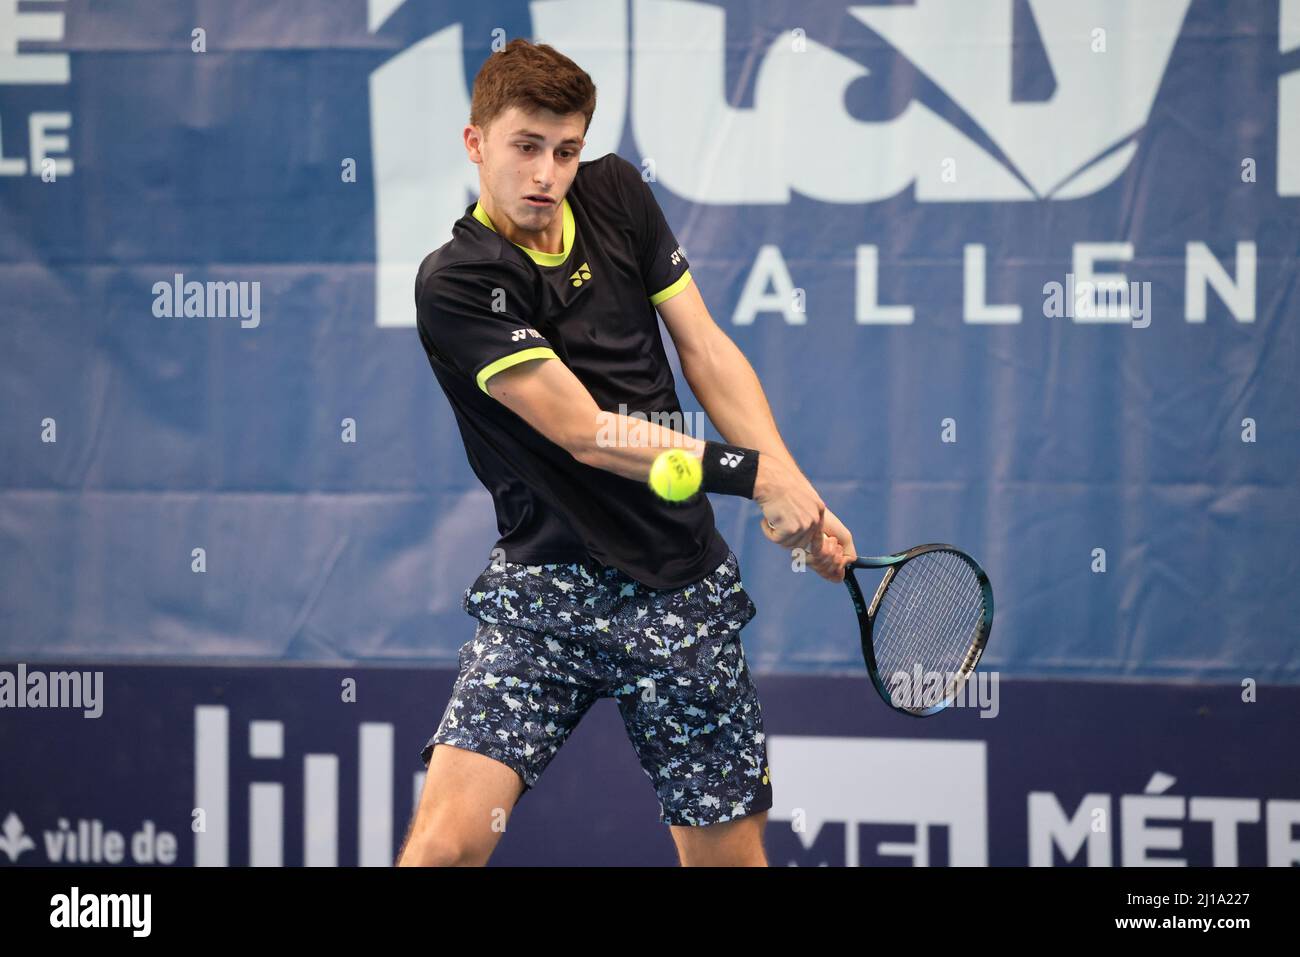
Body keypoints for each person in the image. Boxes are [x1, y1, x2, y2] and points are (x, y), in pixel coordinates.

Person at [399, 38, 856, 867]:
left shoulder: (615, 194)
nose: (547, 172)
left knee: (726, 861)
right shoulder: (459, 283)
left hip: (679, 584)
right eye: (525, 146)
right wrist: (754, 478)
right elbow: (587, 432)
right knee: (445, 848)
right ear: (476, 144)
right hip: (546, 590)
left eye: (564, 149)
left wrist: (794, 483)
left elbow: (706, 352)